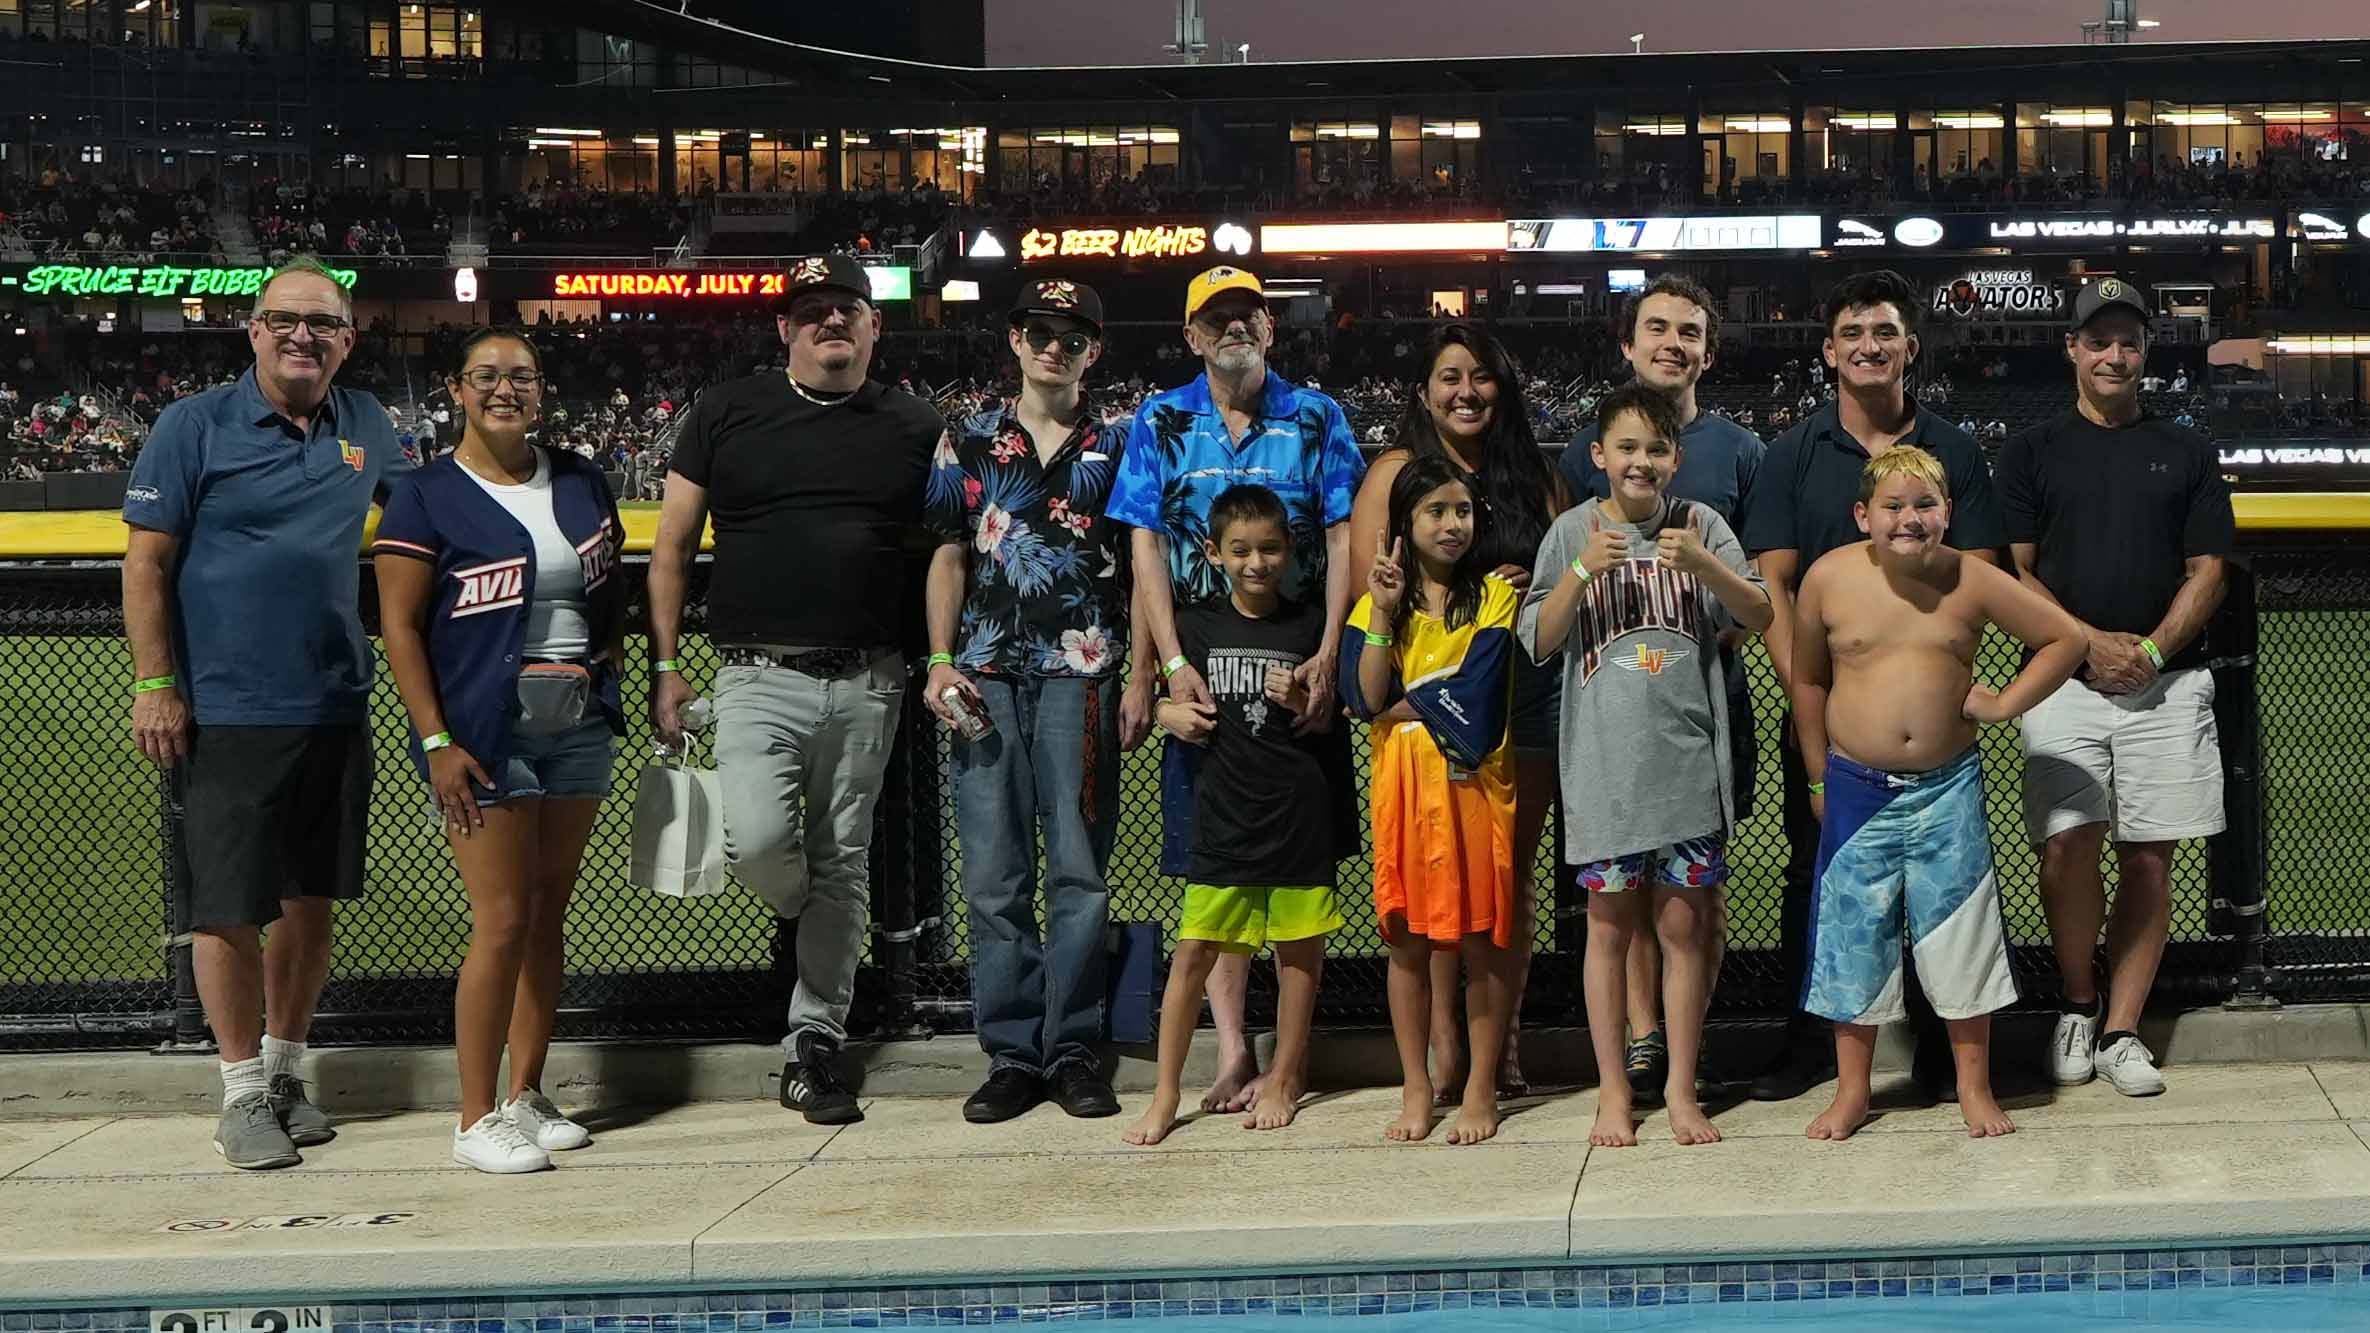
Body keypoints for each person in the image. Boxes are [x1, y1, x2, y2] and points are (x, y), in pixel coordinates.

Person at [120, 255, 405, 1169]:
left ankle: (286, 1073)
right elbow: (145, 565)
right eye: (284, 319)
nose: (302, 335)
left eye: (322, 323)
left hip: (333, 701)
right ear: (253, 330)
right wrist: (156, 683)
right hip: (228, 709)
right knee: (226, 909)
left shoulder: (367, 424)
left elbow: (425, 525)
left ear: (348, 340)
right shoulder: (192, 423)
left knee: (310, 902)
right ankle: (241, 1091)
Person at [647, 254, 945, 1125]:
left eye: (846, 308)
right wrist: (666, 665)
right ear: (784, 328)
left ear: (874, 324)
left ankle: (814, 1042)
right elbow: (670, 547)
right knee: (763, 843)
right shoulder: (727, 408)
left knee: (843, 859)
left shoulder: (914, 422)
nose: (830, 322)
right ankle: (807, 922)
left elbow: (943, 552)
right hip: (754, 673)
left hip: (870, 678)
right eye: (811, 310)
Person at [1740, 269, 2007, 1105]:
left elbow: (1984, 573)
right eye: (1853, 333)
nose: (1868, 346)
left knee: (1942, 887)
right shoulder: (1794, 452)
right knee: (1818, 877)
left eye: (1884, 332)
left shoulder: (1953, 449)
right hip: (1830, 715)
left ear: (1909, 347)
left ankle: (1936, 1053)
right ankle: (1809, 1045)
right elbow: (1772, 584)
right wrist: (1807, 688)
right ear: (1829, 350)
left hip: (1930, 732)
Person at [1105, 265, 1365, 1115]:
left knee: (1290, 856)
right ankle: (1232, 1050)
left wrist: (1329, 651)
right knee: (1211, 864)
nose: (1235, 328)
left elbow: (1340, 532)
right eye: (1217, 318)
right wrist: (1160, 665)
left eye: (1249, 313)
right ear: (1191, 335)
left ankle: (1282, 1060)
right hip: (1202, 659)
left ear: (1270, 326)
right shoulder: (1161, 416)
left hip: (1294, 658)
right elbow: (1144, 549)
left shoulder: (1317, 415)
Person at [373, 329, 626, 1173]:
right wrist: (436, 739)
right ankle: (473, 1115)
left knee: (548, 914)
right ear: (458, 389)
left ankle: (527, 1090)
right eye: (487, 376)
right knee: (503, 918)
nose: (504, 390)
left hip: (578, 725)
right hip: (483, 736)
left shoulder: (583, 479)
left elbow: (606, 602)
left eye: (520, 376)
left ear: (541, 390)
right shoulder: (425, 493)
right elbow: (401, 629)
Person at [1790, 446, 2085, 1141]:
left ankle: (1973, 1085)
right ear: (1863, 514)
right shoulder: (1828, 578)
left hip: (1947, 788)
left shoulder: (1973, 579)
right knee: (1852, 936)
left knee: (1961, 936)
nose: (1909, 519)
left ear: (1947, 513)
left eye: (1925, 504)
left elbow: (2064, 638)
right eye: (1892, 505)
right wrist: (1815, 775)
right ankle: (1853, 1089)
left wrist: (2007, 702)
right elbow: (1807, 680)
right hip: (1855, 785)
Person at [1997, 279, 2235, 1097]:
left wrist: (2150, 648)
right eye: (2098, 340)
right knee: (2065, 845)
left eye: (2128, 341)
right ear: (2072, 348)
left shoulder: (2186, 447)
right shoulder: (2031, 450)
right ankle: (2077, 1000)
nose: (2114, 355)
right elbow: (2017, 573)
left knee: (2149, 858)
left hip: (2164, 685)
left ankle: (2124, 1028)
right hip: (2062, 678)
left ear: (2145, 351)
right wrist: (2088, 645)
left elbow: (2209, 570)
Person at [923, 279, 1151, 1124]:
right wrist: (940, 658)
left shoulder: (1120, 445)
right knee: (993, 872)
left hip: (1081, 672)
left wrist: (1139, 676)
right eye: (1041, 332)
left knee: (1079, 871)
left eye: (1074, 335)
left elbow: (1142, 566)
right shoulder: (970, 436)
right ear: (1015, 340)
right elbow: (948, 555)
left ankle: (1074, 1047)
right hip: (983, 673)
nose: (1056, 346)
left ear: (1094, 349)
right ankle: (1013, 1053)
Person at [1523, 385, 1771, 1149]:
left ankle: (1682, 1087)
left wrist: (1705, 566)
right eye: (1625, 447)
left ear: (1676, 459)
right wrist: (1579, 574)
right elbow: (1536, 638)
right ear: (1599, 456)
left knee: (1685, 926)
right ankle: (1611, 1091)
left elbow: (1759, 615)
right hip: (1605, 776)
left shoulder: (1702, 525)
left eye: (1656, 448)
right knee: (1606, 929)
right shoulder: (1571, 532)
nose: (1641, 460)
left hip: (1690, 770)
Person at [1347, 324, 1566, 1102]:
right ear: (1423, 392)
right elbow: (1368, 597)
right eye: (1448, 376)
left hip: (1521, 699)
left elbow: (1554, 587)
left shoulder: (1533, 474)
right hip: (1417, 703)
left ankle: (1498, 1042)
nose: (1466, 391)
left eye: (1481, 376)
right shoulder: (1394, 475)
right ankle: (1442, 1037)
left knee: (1504, 876)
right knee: (1431, 885)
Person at [1561, 274, 1765, 1101]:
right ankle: (1644, 1037)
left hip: (1702, 691)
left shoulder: (1740, 450)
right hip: (1614, 705)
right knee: (1624, 904)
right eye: (1656, 327)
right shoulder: (1587, 450)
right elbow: (1567, 581)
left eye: (1688, 330)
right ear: (1628, 342)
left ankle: (1686, 1046)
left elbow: (1759, 587)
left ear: (1707, 351)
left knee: (1694, 900)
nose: (1671, 342)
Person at [1122, 485, 1343, 1146]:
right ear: (1214, 552)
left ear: (1290, 549)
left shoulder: (1307, 627)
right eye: (1241, 550)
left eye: (1270, 548)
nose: (1257, 562)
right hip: (1223, 819)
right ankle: (1165, 1093)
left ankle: (1283, 1074)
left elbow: (1330, 714)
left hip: (1299, 813)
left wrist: (1307, 692)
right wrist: (1164, 710)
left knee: (1299, 953)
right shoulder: (1193, 627)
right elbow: (1158, 703)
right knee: (1192, 952)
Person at [1343, 456, 1522, 1144]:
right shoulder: (1374, 604)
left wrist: (1405, 701)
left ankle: (1480, 1087)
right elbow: (1363, 697)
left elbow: (1478, 698)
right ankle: (1416, 1085)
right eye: (1435, 512)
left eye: (1463, 512)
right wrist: (1385, 617)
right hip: (1404, 794)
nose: (1453, 526)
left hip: (1475, 790)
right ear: (1405, 523)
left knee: (1482, 940)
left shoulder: (1495, 598)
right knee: (1408, 943)